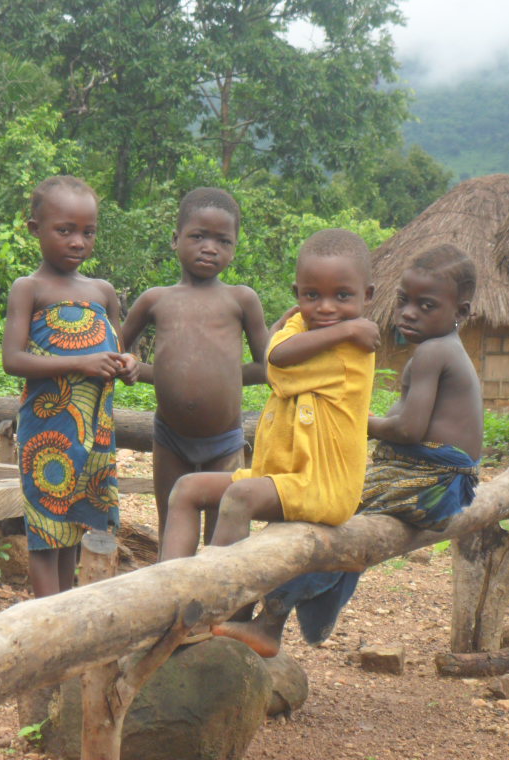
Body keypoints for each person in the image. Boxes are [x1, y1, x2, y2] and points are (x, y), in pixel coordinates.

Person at [238, 243, 483, 657]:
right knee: (338, 500)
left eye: (425, 306)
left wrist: (359, 422)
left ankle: (269, 622)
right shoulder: (444, 349)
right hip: (444, 479)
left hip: (437, 484)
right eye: (404, 301)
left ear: (461, 312)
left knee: (336, 509)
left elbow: (409, 429)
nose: (409, 313)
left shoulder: (433, 352)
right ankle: (310, 605)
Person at [158, 228, 380, 645]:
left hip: (323, 485)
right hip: (282, 476)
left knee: (239, 498)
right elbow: (277, 347)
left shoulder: (355, 346)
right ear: (297, 293)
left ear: (367, 295)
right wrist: (296, 333)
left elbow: (275, 362)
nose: (326, 308)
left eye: (342, 296)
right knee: (187, 489)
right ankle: (165, 598)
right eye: (312, 295)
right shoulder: (315, 327)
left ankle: (221, 610)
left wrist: (339, 332)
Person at [2, 175, 138, 597]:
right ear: (35, 229)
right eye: (65, 230)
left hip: (95, 433)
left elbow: (118, 352)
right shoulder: (29, 289)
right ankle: (50, 620)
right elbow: (13, 360)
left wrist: (129, 365)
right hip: (48, 430)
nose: (78, 241)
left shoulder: (103, 291)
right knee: (46, 532)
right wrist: (81, 363)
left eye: (88, 232)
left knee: (76, 527)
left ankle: (66, 614)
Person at [121, 187, 269, 544]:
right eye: (198, 236)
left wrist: (223, 378)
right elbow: (116, 349)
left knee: (224, 539)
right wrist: (129, 365)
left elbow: (267, 366)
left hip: (225, 442)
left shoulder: (241, 299)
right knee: (171, 527)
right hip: (170, 439)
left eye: (223, 241)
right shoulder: (155, 300)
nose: (210, 248)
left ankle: (218, 583)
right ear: (176, 239)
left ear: (234, 248)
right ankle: (170, 581)